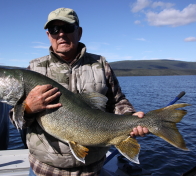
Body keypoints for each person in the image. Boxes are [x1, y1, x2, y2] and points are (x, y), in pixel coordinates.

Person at [10, 7, 149, 176]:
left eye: (67, 28)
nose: (61, 34)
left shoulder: (100, 64)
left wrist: (130, 116)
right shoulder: (33, 70)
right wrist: (28, 108)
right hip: (45, 169)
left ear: (79, 32)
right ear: (49, 36)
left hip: (93, 168)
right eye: (54, 30)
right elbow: (16, 120)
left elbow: (117, 101)